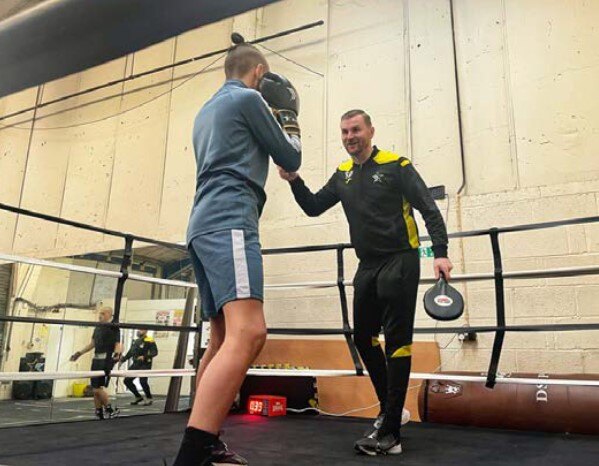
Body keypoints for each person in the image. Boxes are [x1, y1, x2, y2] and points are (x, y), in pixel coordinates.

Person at [278, 109, 453, 456]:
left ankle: (390, 435)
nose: (349, 137)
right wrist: (294, 179)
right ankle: (393, 412)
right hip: (367, 265)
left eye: (355, 129)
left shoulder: (396, 165)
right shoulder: (342, 174)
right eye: (344, 132)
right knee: (362, 337)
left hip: (401, 260)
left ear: (370, 130)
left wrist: (441, 253)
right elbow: (313, 207)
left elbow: (428, 208)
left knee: (398, 343)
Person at [172, 40, 301, 466]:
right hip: (229, 218)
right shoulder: (249, 98)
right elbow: (290, 155)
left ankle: (205, 441)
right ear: (259, 73)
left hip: (202, 224)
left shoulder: (206, 110)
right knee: (249, 333)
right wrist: (288, 114)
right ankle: (194, 453)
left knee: (222, 338)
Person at [70, 306, 122, 420]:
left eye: (103, 313)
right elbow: (92, 344)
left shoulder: (114, 328)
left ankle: (110, 409)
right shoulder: (97, 328)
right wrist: (79, 353)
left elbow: (117, 344)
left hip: (106, 360)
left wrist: (117, 354)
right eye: (100, 313)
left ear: (109, 315)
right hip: (96, 360)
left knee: (96, 388)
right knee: (95, 387)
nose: (100, 315)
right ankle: (99, 411)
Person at [121, 328, 158, 406]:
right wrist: (123, 360)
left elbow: (155, 352)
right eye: (138, 329)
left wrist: (145, 356)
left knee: (143, 381)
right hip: (136, 364)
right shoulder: (136, 341)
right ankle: (138, 397)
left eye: (141, 329)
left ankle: (149, 398)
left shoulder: (150, 340)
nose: (139, 331)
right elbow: (130, 352)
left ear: (146, 331)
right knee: (127, 381)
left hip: (145, 364)